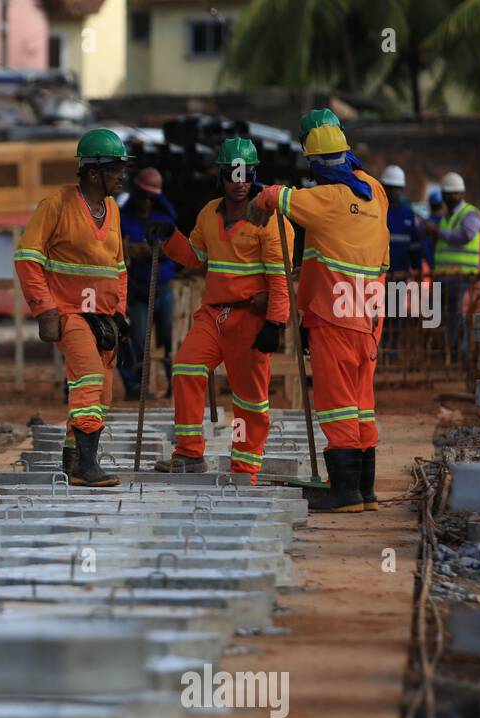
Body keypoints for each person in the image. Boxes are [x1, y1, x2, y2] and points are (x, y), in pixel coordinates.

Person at [249, 109, 390, 513]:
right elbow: (383, 262)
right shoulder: (375, 191)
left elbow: (279, 196)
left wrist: (260, 197)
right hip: (367, 317)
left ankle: (344, 490)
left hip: (333, 316)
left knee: (337, 402)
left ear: (314, 163)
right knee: (362, 401)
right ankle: (364, 490)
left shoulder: (326, 197)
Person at [152, 138, 292, 481]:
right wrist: (170, 238)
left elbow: (279, 277)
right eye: (233, 174)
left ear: (254, 174)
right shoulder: (209, 213)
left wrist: (275, 322)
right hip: (214, 316)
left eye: (246, 174)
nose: (240, 181)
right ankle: (188, 454)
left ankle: (244, 468)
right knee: (185, 367)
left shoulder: (267, 218)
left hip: (252, 320)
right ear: (223, 176)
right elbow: (195, 257)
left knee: (249, 401)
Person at [15, 128, 128, 487]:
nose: (122, 176)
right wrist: (45, 310)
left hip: (105, 318)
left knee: (103, 392)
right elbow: (27, 258)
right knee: (89, 378)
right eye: (115, 170)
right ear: (94, 173)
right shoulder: (56, 206)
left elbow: (119, 266)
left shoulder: (111, 209)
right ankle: (86, 465)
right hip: (70, 312)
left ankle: (73, 458)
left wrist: (120, 313)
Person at [118, 167, 178, 400]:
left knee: (168, 338)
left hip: (162, 289)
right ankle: (137, 388)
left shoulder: (163, 219)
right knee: (138, 339)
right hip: (137, 291)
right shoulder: (123, 220)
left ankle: (174, 384)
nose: (146, 202)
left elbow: (173, 246)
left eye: (151, 198)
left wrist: (160, 251)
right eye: (143, 197)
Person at [420, 171, 480, 365]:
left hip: (461, 276)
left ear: (460, 194)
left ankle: (458, 352)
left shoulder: (470, 214)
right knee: (437, 314)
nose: (448, 197)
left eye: (452, 194)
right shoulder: (447, 217)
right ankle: (443, 350)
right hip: (444, 276)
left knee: (456, 315)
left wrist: (438, 231)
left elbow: (466, 236)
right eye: (447, 194)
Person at [379, 165, 421, 360]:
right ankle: (379, 352)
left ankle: (392, 352)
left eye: (397, 188)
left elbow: (414, 245)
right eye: (391, 188)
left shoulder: (407, 214)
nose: (394, 192)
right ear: (384, 187)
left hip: (400, 275)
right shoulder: (377, 211)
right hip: (378, 276)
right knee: (378, 316)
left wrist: (417, 268)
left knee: (395, 316)